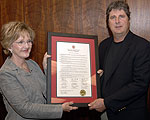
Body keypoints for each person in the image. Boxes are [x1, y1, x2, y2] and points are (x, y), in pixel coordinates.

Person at [0, 21, 78, 120]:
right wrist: (59, 109)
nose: (27, 46)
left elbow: (47, 92)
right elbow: (25, 108)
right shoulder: (5, 73)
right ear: (9, 46)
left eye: (29, 41)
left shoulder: (32, 64)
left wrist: (47, 69)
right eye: (21, 42)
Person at [88, 1, 150, 120]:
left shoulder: (142, 46)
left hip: (129, 114)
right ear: (108, 22)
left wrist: (107, 103)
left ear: (128, 20)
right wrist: (98, 77)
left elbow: (140, 84)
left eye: (121, 16)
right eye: (112, 17)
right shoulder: (103, 46)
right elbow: (102, 75)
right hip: (104, 114)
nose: (117, 21)